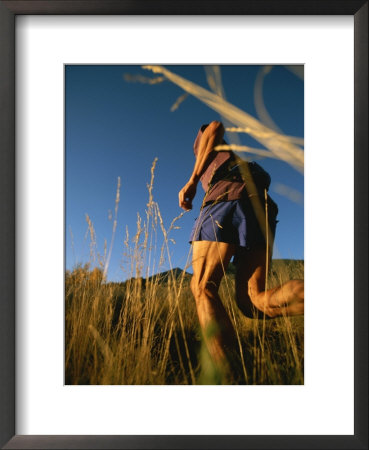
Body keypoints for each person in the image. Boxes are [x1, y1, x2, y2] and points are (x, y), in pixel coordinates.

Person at [178, 121, 304, 378]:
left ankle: (225, 379)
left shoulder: (202, 144)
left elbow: (214, 127)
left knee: (202, 286)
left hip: (227, 193)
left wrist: (192, 180)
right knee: (252, 302)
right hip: (259, 201)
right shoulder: (218, 157)